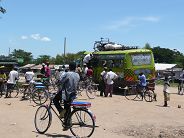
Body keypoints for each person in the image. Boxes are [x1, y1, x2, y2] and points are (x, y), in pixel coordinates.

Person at [53, 62, 80, 130]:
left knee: (55, 100)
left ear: (69, 67)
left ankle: (61, 111)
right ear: (75, 67)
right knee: (67, 108)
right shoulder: (77, 75)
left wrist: (56, 83)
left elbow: (61, 81)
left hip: (66, 93)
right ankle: (67, 123)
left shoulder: (67, 74)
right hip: (73, 94)